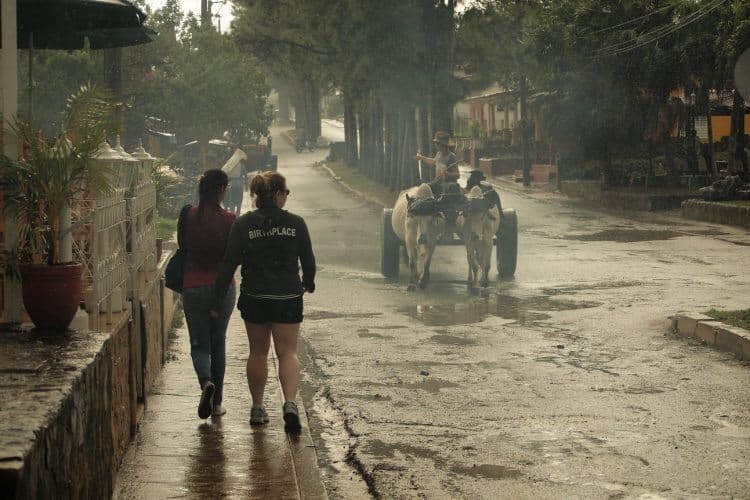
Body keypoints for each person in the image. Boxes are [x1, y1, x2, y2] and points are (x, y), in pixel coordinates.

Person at [212, 171, 316, 432]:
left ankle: (258, 407)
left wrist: (218, 295)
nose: (286, 197)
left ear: (257, 195)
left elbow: (229, 262)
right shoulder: (296, 223)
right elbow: (308, 260)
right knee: (288, 352)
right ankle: (290, 403)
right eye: (286, 193)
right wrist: (308, 282)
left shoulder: (244, 224)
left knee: (258, 352)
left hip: (256, 296)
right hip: (288, 296)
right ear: (279, 194)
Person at [181, 169, 237, 420]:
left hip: (192, 287)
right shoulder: (230, 220)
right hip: (222, 290)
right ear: (222, 189)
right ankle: (217, 404)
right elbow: (233, 257)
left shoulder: (188, 215)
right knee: (218, 343)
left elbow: (183, 246)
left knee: (199, 344)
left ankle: (206, 382)